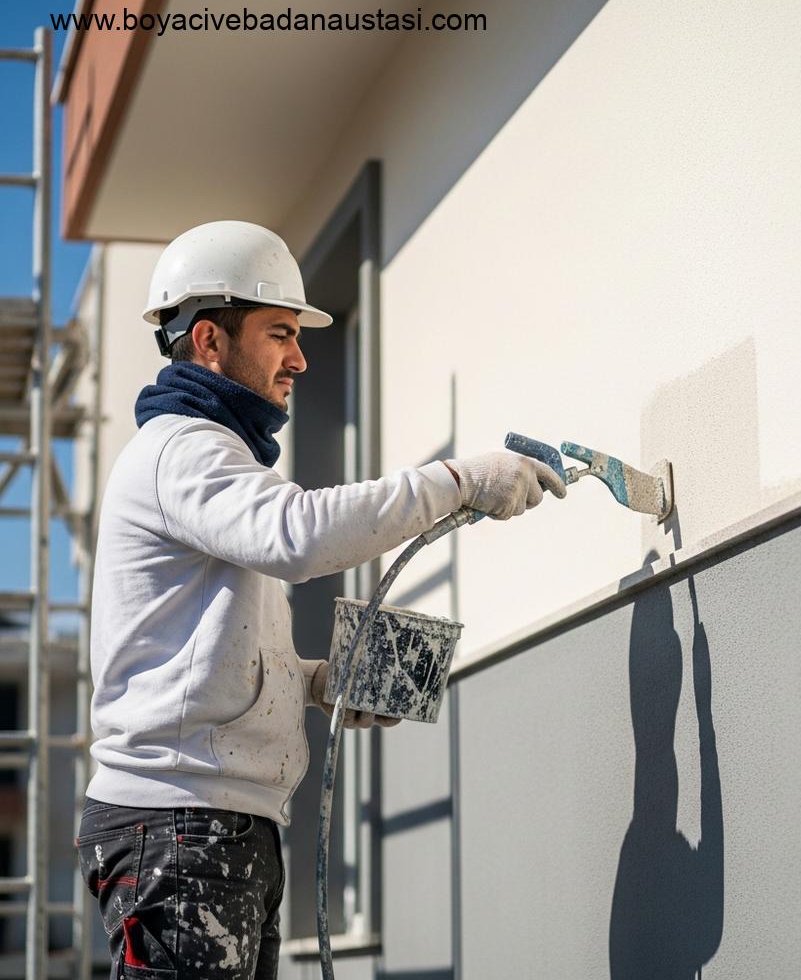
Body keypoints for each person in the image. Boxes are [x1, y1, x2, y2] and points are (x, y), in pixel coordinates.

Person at [74, 221, 564, 979]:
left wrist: (311, 683)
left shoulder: (215, 457)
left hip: (214, 825)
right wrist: (461, 481)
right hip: (179, 825)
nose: (299, 359)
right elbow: (297, 536)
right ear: (209, 340)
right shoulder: (184, 448)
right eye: (279, 333)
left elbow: (197, 648)